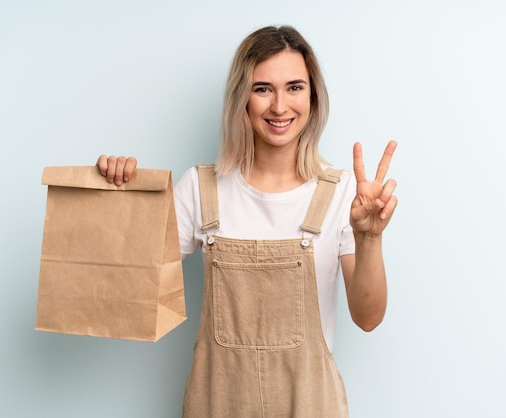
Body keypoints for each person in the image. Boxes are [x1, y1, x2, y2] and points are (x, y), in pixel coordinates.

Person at [97, 25, 397, 418]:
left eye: (294, 87)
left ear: (313, 96)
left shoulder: (343, 194)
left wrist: (369, 237)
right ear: (242, 97)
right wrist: (119, 193)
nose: (279, 106)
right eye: (262, 89)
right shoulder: (201, 188)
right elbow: (126, 280)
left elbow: (368, 318)